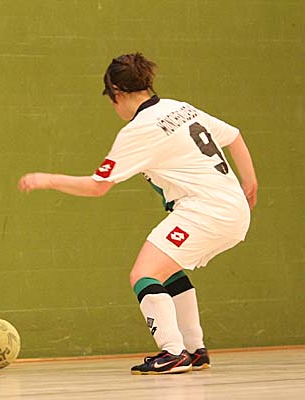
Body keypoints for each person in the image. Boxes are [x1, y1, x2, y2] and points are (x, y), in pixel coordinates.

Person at [18, 53, 258, 375]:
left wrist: (46, 180)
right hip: (233, 208)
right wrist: (250, 182)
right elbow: (234, 135)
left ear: (116, 92)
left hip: (205, 211)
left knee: (143, 274)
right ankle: (194, 349)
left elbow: (97, 187)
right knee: (168, 271)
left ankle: (173, 352)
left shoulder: (139, 129)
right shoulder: (180, 107)